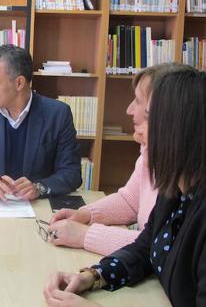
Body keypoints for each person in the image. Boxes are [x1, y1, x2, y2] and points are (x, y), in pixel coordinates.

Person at [43, 69, 206, 307]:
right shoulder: (181, 186)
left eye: (150, 116)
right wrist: (92, 276)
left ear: (185, 131)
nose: (139, 127)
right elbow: (146, 248)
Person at [47, 64, 185, 255]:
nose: (129, 109)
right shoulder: (150, 149)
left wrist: (86, 235)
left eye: (137, 101)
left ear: (163, 110)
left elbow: (160, 248)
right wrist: (86, 215)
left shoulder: (185, 174)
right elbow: (130, 200)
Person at [0, 44, 81, 201]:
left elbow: (71, 173)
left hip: (38, 209)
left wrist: (39, 187)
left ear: (19, 83)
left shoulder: (58, 114)